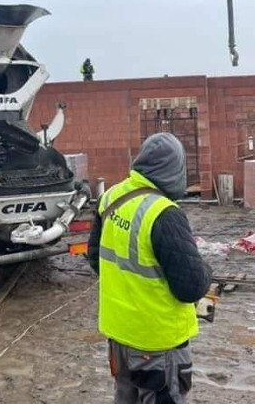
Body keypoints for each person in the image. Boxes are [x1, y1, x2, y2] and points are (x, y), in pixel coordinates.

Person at [87, 133, 212, 403]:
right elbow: (190, 287)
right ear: (175, 170)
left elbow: (96, 257)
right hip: (156, 342)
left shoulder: (112, 197)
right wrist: (206, 270)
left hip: (119, 335)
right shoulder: (163, 213)